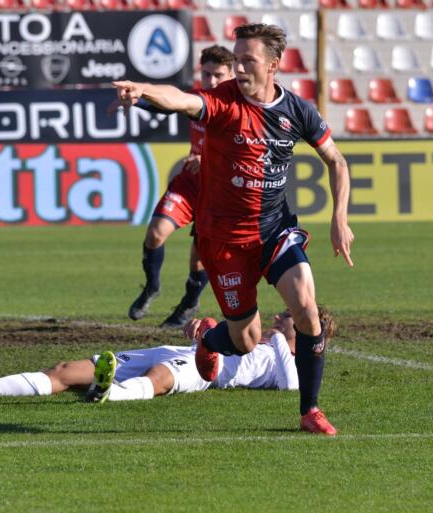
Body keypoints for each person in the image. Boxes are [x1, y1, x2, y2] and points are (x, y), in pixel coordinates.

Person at [113, 23, 354, 435]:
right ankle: (209, 341)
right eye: (236, 60)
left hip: (275, 229)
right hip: (224, 240)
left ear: (274, 66)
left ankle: (309, 411)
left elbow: (337, 161)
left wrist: (339, 218)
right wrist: (143, 90)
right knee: (244, 340)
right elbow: (182, 101)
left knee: (306, 307)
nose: (238, 69)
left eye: (248, 61)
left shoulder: (297, 111)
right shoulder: (223, 103)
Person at [0, 307, 336, 404]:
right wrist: (202, 325)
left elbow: (295, 386)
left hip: (204, 369)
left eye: (292, 315)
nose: (282, 313)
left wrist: (284, 338)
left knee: (160, 377)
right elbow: (219, 329)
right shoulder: (258, 336)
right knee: (66, 370)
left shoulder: (286, 358)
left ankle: (109, 394)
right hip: (180, 349)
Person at [128, 45, 235, 328]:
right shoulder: (199, 99)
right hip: (190, 182)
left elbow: (249, 153)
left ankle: (188, 303)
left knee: (200, 257)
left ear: (232, 75)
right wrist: (138, 98)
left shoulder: (239, 107)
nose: (212, 81)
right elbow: (168, 103)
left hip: (219, 190)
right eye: (207, 74)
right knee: (155, 233)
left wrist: (210, 160)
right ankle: (152, 287)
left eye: (219, 75)